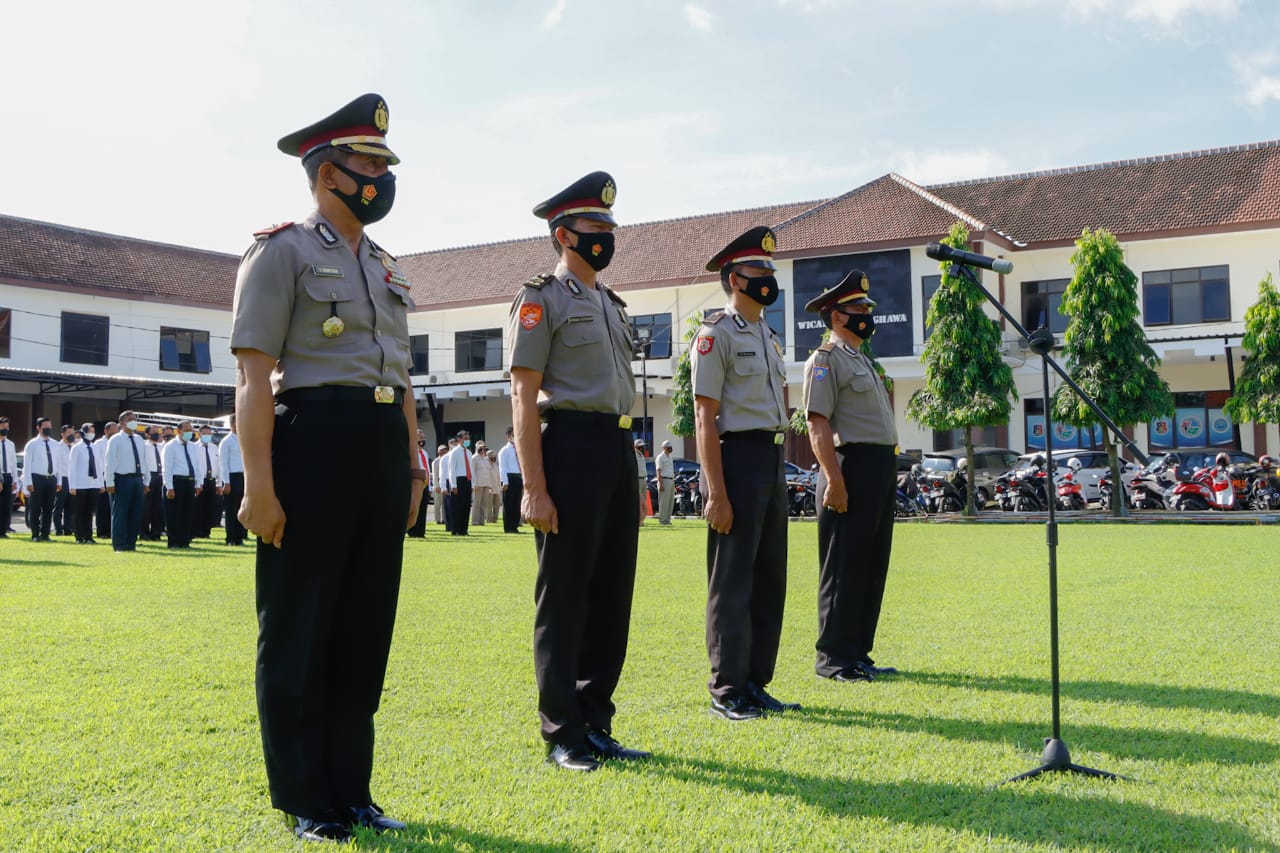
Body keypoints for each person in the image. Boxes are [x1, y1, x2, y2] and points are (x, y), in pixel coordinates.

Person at [231, 93, 422, 843]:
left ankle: (353, 788)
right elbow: (252, 377)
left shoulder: (386, 265)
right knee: (301, 626)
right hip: (310, 440)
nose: (379, 175)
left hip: (378, 443)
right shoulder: (281, 252)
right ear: (325, 172)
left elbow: (402, 383)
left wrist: (411, 470)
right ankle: (307, 795)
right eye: (367, 162)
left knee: (363, 625)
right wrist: (258, 484)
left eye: (383, 163)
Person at [507, 170, 649, 772]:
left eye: (610, 228)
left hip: (618, 449)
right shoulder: (541, 298)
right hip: (568, 445)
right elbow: (521, 393)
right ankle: (562, 730)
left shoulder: (611, 305)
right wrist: (535, 488)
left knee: (612, 593)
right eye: (595, 228)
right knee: (564, 594)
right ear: (564, 234)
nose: (606, 237)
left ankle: (597, 721)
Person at [691, 226, 797, 721]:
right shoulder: (716, 335)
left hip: (773, 457)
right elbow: (704, 417)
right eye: (758, 273)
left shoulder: (768, 336)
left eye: (770, 273)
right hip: (736, 458)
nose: (767, 282)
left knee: (768, 576)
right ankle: (726, 688)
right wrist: (716, 491)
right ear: (735, 278)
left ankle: (756, 681)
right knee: (732, 578)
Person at [802, 269, 900, 683]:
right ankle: (834, 658)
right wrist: (834, 478)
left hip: (878, 467)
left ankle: (859, 651)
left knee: (871, 563)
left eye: (866, 307)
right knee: (843, 566)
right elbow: (817, 422)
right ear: (837, 316)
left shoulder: (862, 360)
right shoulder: (825, 360)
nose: (865, 313)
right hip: (849, 467)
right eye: (857, 308)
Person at [103, 411, 151, 552]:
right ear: (122, 423)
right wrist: (110, 482)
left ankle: (131, 543)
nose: (133, 422)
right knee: (120, 513)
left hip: (137, 479)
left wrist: (146, 481)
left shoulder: (139, 439)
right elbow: (109, 462)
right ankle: (119, 544)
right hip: (122, 479)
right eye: (130, 420)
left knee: (135, 513)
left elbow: (144, 461)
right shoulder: (116, 439)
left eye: (134, 419)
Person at [23, 417, 64, 542]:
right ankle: (35, 534)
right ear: (38, 428)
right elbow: (27, 465)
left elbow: (58, 464)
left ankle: (45, 534)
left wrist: (59, 481)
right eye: (45, 427)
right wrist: (28, 483)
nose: (48, 429)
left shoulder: (55, 444)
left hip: (51, 479)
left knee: (48, 508)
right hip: (37, 479)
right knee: (35, 508)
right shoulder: (32, 444)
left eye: (49, 427)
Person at [68, 423, 103, 544]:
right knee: (79, 512)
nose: (92, 433)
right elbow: (71, 468)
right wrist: (72, 486)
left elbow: (99, 466)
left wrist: (100, 484)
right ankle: (79, 536)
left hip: (93, 484)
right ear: (83, 433)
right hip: (80, 484)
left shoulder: (95, 447)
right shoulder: (76, 448)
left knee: (89, 512)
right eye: (89, 431)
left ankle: (89, 536)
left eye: (93, 431)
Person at [218, 415, 247, 546]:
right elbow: (223, 463)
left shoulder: (245, 438)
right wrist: (226, 482)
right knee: (231, 509)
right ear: (232, 424)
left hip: (244, 477)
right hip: (232, 477)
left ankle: (240, 537)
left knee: (243, 507)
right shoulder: (226, 441)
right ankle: (231, 538)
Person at [192, 425, 221, 538]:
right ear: (200, 434)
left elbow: (218, 466)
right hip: (200, 481)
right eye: (205, 434)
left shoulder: (214, 447)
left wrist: (218, 483)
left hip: (211, 480)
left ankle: (206, 531)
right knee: (198, 507)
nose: (207, 436)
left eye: (209, 434)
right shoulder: (194, 447)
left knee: (210, 507)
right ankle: (196, 531)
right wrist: (197, 483)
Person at [444, 430, 473, 536]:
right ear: (459, 439)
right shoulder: (454, 452)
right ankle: (456, 529)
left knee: (466, 506)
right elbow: (452, 469)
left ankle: (464, 529)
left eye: (468, 439)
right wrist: (453, 485)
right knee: (457, 506)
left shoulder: (469, 452)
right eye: (465, 439)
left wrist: (472, 483)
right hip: (458, 480)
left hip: (467, 480)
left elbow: (471, 469)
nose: (467, 441)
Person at [142, 426, 167, 540]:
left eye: (158, 432)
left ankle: (156, 532)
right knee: (146, 507)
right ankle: (144, 533)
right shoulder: (144, 446)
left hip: (160, 476)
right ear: (147, 434)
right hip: (149, 476)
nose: (157, 434)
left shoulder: (163, 447)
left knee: (158, 507)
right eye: (153, 432)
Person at [95, 421, 117, 540]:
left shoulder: (118, 441)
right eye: (112, 432)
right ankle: (102, 531)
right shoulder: (99, 444)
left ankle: (111, 531)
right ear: (106, 431)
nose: (114, 434)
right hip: (102, 476)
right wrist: (99, 482)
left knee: (113, 506)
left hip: (115, 476)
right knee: (102, 506)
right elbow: (98, 464)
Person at [498, 427, 522, 533]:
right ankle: (508, 527)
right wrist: (505, 482)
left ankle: (515, 525)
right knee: (508, 504)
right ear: (508, 436)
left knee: (517, 503)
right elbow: (502, 468)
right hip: (509, 478)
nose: (515, 436)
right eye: (513, 434)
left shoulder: (519, 449)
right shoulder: (504, 451)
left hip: (518, 477)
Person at [407, 430, 431, 538]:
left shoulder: (424, 453)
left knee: (423, 508)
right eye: (420, 437)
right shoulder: (411, 451)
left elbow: (427, 469)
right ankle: (412, 531)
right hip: (415, 483)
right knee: (415, 506)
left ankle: (421, 531)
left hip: (425, 483)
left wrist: (429, 486)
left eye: (423, 437)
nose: (422, 439)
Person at [53, 425, 75, 536]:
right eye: (69, 433)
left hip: (72, 479)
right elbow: (56, 465)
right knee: (59, 506)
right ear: (63, 434)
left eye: (72, 433)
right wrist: (58, 482)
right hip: (62, 478)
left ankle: (68, 529)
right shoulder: (57, 447)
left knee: (70, 506)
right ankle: (58, 529)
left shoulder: (75, 447)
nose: (71, 435)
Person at [1, 417, 16, 538]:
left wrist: (14, 480)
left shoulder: (11, 444)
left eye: (7, 427)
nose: (5, 429)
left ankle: (3, 530)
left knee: (6, 504)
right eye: (3, 427)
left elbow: (13, 463)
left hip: (8, 477)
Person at [470, 440, 491, 527]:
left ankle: (481, 521)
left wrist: (489, 484)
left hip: (486, 483)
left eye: (484, 447)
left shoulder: (486, 459)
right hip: (478, 484)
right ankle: (475, 521)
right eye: (480, 447)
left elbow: (488, 472)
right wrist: (474, 484)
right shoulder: (474, 458)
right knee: (477, 503)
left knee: (483, 503)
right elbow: (473, 472)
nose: (482, 449)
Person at [656, 439, 676, 525]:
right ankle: (663, 520)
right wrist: (660, 483)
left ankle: (667, 519)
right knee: (664, 501)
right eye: (668, 447)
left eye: (670, 447)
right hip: (664, 480)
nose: (669, 448)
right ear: (663, 448)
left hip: (671, 480)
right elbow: (658, 471)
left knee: (670, 501)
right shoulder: (660, 457)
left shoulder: (670, 457)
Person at [432, 443, 449, 526]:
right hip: (438, 485)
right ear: (438, 451)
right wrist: (437, 485)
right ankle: (437, 519)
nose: (444, 452)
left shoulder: (447, 460)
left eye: (445, 450)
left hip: (445, 484)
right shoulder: (436, 461)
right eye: (442, 450)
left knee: (444, 504)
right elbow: (435, 474)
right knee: (437, 504)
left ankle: (444, 519)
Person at [633, 439, 648, 525]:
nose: (642, 448)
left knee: (643, 501)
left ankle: (641, 520)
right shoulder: (634, 454)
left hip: (643, 479)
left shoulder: (641, 455)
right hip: (637, 479)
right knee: (638, 501)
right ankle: (637, 520)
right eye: (640, 446)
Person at [487, 449, 502, 522]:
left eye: (494, 456)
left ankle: (495, 519)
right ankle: (489, 519)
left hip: (497, 488)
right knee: (489, 505)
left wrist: (500, 488)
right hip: (489, 488)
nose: (494, 457)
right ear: (488, 456)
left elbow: (498, 477)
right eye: (492, 456)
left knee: (497, 505)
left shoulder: (496, 466)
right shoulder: (486, 465)